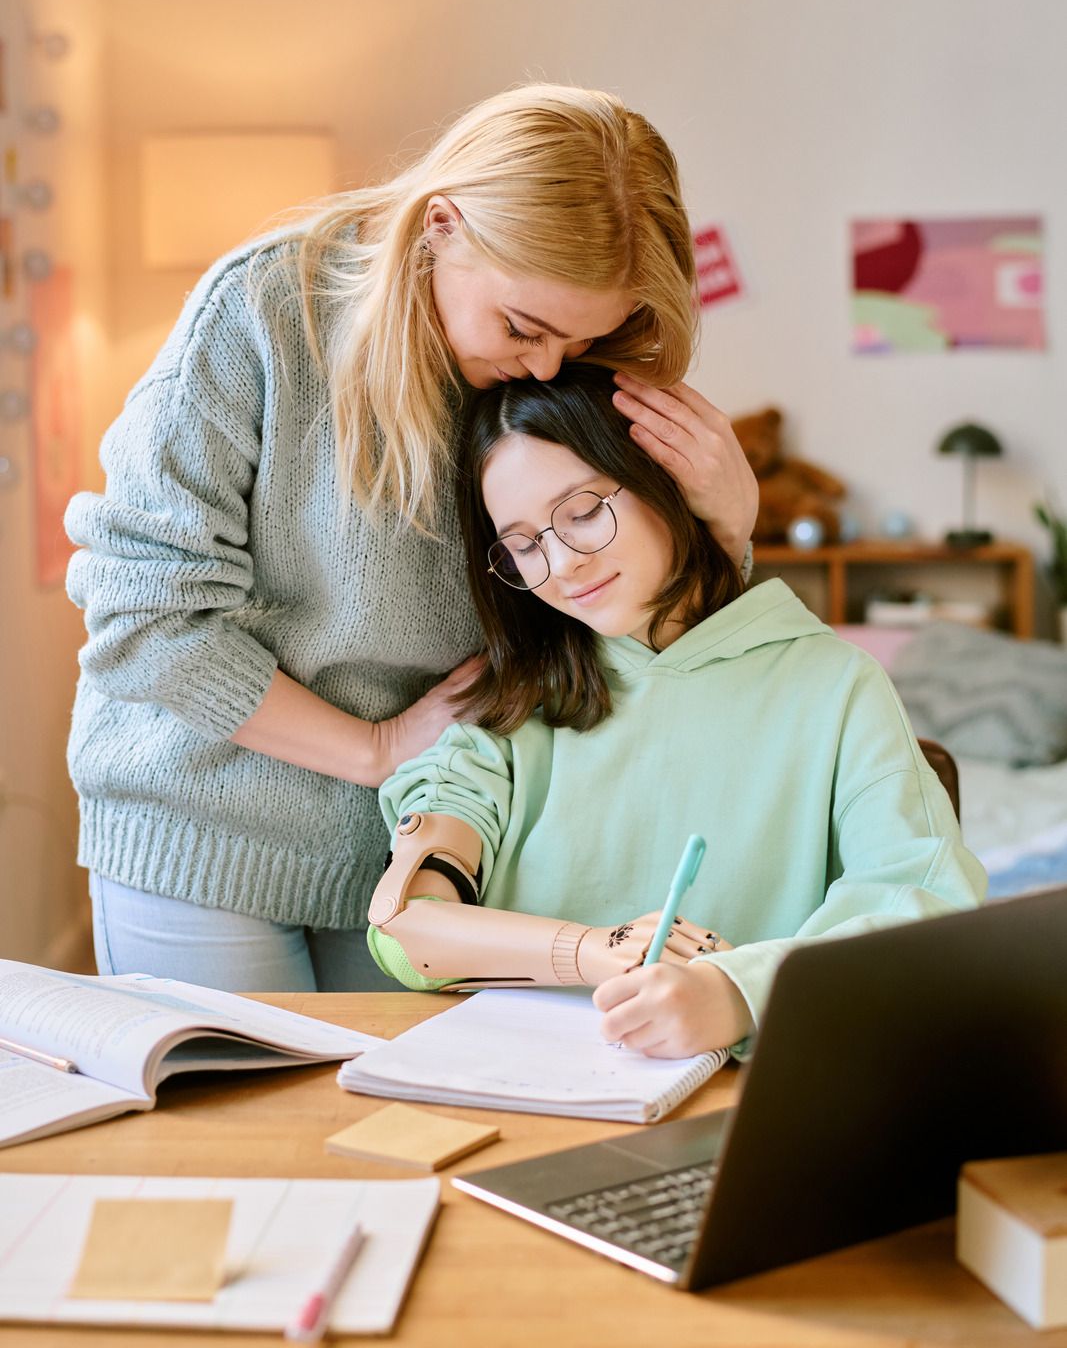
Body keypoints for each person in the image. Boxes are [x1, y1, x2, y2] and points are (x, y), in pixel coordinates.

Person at [65, 84, 759, 993]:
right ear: (442, 226)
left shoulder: (574, 369)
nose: (547, 367)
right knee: (241, 1137)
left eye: (581, 338)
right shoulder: (264, 312)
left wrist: (727, 523)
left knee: (408, 1129)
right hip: (204, 818)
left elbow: (635, 647)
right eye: (522, 327)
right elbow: (143, 620)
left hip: (430, 848)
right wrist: (377, 747)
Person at [368, 362, 987, 1058]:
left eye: (581, 514)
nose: (562, 564)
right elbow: (404, 927)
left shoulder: (833, 685)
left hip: (741, 1103)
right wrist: (595, 951)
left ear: (664, 479)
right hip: (521, 1086)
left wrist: (736, 993)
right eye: (522, 545)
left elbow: (923, 901)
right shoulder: (515, 702)